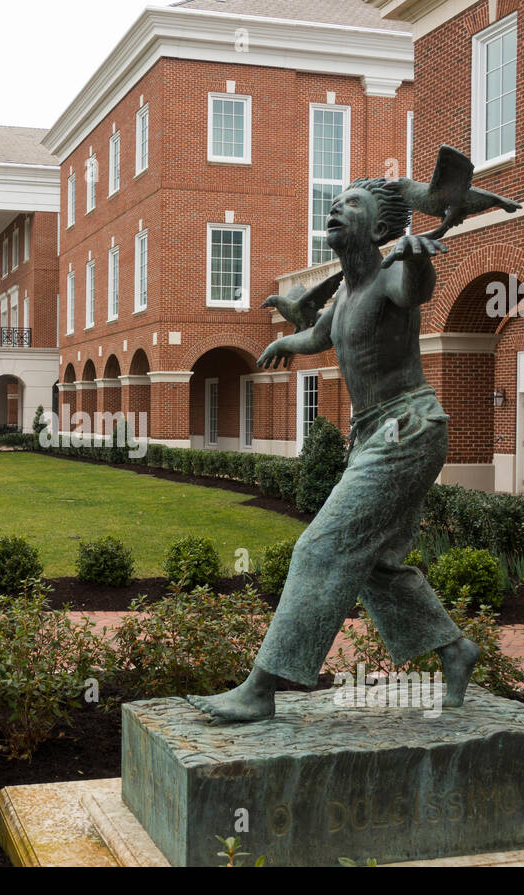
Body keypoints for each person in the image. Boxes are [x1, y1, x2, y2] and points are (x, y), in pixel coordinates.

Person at [188, 177, 480, 722]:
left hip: (408, 430)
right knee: (373, 564)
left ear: (381, 228)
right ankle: (454, 650)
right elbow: (320, 336)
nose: (336, 209)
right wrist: (283, 341)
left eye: (352, 205)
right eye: (334, 204)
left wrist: (417, 258)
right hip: (375, 433)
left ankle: (261, 689)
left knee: (319, 549)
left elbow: (415, 289)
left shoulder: (393, 272)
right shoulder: (344, 291)